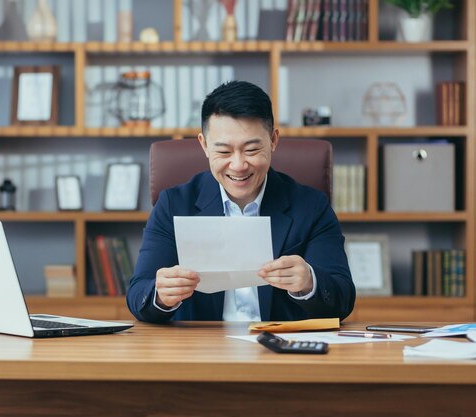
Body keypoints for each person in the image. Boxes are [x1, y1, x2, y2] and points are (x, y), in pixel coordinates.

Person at [126, 80, 355, 323]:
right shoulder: (173, 205)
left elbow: (343, 299)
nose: (238, 165)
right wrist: (161, 295)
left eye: (251, 150)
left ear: (274, 140)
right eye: (224, 152)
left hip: (278, 349)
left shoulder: (311, 206)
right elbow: (138, 295)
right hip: (201, 348)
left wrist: (309, 282)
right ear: (203, 145)